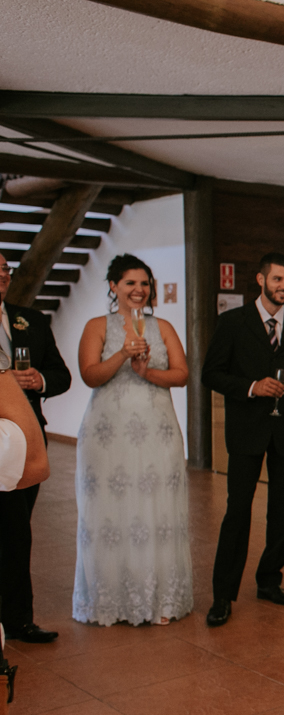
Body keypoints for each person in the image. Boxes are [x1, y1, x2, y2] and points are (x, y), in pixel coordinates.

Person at [73, 254, 191, 626]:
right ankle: (112, 598)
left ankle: (158, 597)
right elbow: (90, 375)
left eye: (144, 283)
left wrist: (147, 372)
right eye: (130, 283)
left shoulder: (163, 326)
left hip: (157, 429)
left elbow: (182, 375)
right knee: (112, 512)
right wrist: (122, 354)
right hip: (109, 433)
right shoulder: (97, 326)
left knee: (157, 511)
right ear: (114, 286)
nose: (139, 290)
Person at [201, 252, 284, 627]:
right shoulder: (232, 322)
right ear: (261, 279)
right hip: (246, 431)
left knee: (282, 510)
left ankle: (269, 580)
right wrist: (252, 387)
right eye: (277, 279)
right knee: (238, 510)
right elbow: (210, 374)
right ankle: (223, 594)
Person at [0, 252, 70, 643]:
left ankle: (17, 620)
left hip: (25, 440)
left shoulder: (31, 320)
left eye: (5, 269)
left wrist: (38, 380)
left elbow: (62, 375)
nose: (2, 275)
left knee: (17, 532)